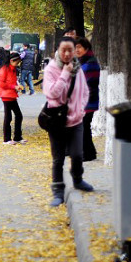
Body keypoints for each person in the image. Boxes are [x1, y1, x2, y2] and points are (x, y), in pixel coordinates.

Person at [43, 37, 93, 207]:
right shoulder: (50, 69)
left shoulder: (78, 69)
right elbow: (52, 93)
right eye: (63, 49)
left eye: (70, 50)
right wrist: (65, 73)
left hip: (76, 120)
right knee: (58, 159)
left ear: (74, 51)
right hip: (57, 121)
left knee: (78, 154)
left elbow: (85, 91)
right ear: (57, 50)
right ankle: (58, 192)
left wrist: (81, 110)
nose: (66, 53)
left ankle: (78, 179)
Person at [75, 37, 100, 162]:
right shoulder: (83, 61)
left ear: (86, 47)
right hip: (84, 100)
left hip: (87, 100)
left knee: (83, 126)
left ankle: (87, 153)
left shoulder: (90, 62)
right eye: (75, 48)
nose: (77, 50)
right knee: (84, 126)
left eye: (79, 47)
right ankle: (89, 153)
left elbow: (87, 83)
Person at [0, 52, 25, 145]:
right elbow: (1, 84)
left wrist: (17, 86)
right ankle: (6, 139)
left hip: (12, 95)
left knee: (18, 115)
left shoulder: (13, 69)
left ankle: (17, 137)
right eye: (17, 62)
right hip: (6, 96)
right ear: (11, 61)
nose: (17, 64)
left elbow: (13, 81)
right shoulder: (4, 69)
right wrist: (14, 87)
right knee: (8, 117)